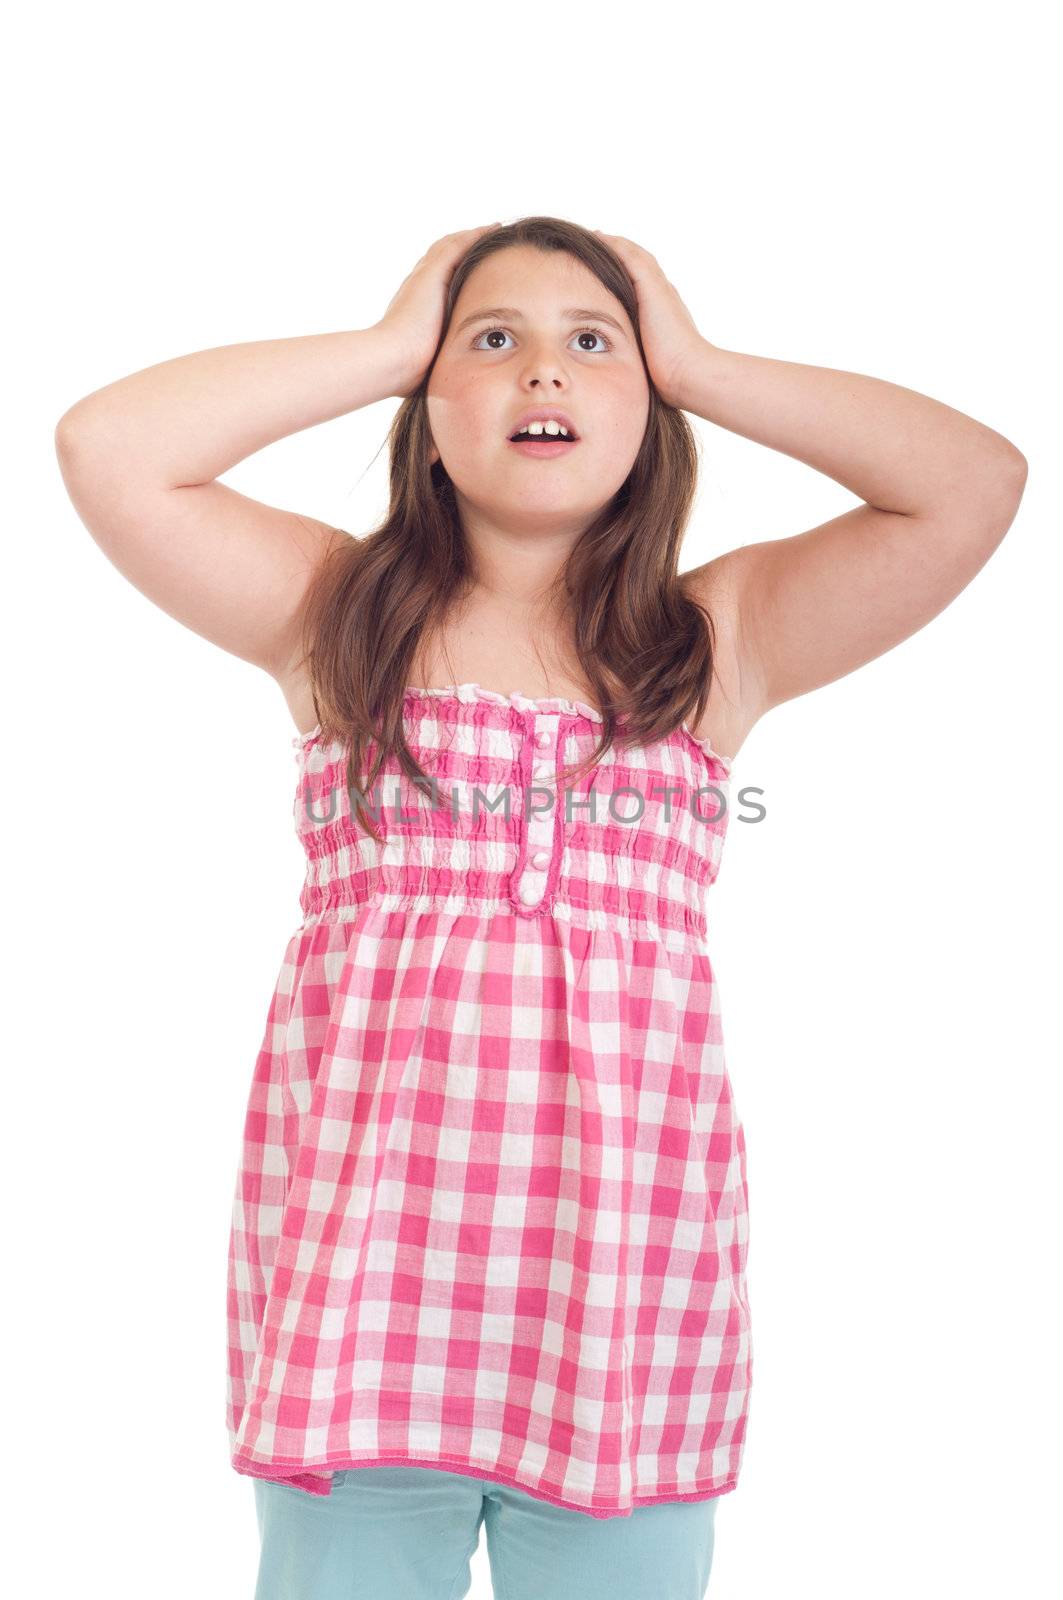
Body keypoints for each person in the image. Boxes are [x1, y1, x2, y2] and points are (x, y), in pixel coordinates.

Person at [54, 215, 1027, 1600]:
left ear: (652, 405)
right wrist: (396, 339)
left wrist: (699, 357)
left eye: (591, 346)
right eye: (492, 343)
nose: (541, 377)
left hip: (620, 1325)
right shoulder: (338, 616)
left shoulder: (716, 641)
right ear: (427, 404)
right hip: (366, 1319)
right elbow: (111, 448)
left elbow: (973, 482)